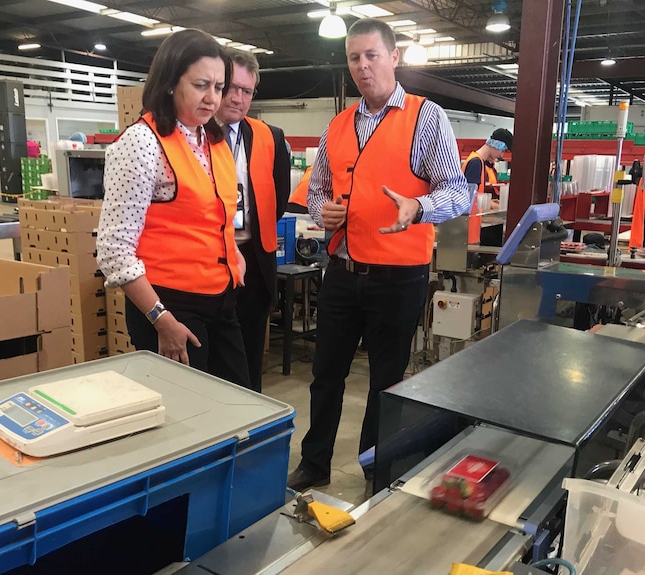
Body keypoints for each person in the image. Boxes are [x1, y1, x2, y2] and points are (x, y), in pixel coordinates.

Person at [286, 18, 470, 492]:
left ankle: (376, 469)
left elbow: (458, 192)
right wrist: (321, 211)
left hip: (399, 276)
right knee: (325, 374)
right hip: (343, 272)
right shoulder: (338, 125)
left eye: (372, 55)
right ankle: (315, 461)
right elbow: (317, 192)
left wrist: (419, 206)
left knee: (386, 383)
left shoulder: (425, 117)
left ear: (394, 57)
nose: (363, 66)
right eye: (354, 58)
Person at [96, 29, 251, 388]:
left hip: (221, 298)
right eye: (201, 85)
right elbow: (114, 250)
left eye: (218, 86)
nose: (212, 98)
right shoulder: (141, 144)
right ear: (169, 82)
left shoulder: (214, 140)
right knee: (187, 420)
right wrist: (160, 319)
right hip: (170, 307)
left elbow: (221, 212)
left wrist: (233, 253)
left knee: (238, 404)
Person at [214, 48, 291, 393]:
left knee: (248, 365)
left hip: (254, 267)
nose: (237, 97)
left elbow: (278, 197)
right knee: (212, 363)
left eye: (246, 91)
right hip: (209, 263)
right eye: (230, 87)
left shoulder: (269, 136)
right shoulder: (194, 133)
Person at [462, 128, 513, 203]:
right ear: (497, 145)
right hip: (471, 214)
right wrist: (490, 204)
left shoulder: (479, 161)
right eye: (503, 151)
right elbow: (469, 198)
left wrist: (489, 201)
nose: (501, 155)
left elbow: (476, 194)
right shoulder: (476, 163)